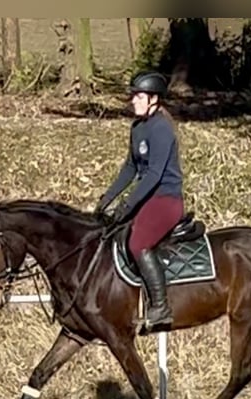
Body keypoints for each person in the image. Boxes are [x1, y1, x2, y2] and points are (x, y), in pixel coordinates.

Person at [94, 70, 185, 333]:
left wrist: (127, 205)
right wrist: (107, 199)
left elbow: (155, 174)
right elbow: (129, 168)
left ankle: (160, 307)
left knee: (138, 241)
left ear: (154, 99)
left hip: (166, 199)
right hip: (148, 197)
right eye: (133, 96)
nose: (133, 100)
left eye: (139, 96)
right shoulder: (138, 128)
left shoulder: (161, 128)